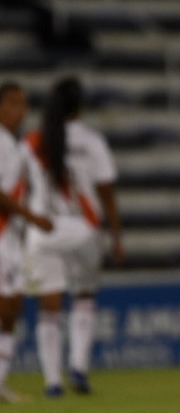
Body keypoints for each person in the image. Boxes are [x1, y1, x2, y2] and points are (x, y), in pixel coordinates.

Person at [21, 77, 124, 397]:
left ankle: (52, 382)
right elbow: (106, 192)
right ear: (80, 106)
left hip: (43, 233)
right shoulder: (92, 142)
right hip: (83, 231)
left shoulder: (32, 143)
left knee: (49, 309)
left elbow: (19, 190)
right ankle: (78, 368)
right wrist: (116, 234)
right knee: (84, 298)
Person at [0, 82, 53, 402]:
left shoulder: (14, 145)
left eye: (23, 104)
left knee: (12, 311)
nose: (20, 110)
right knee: (5, 309)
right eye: (12, 103)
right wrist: (33, 218)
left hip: (12, 237)